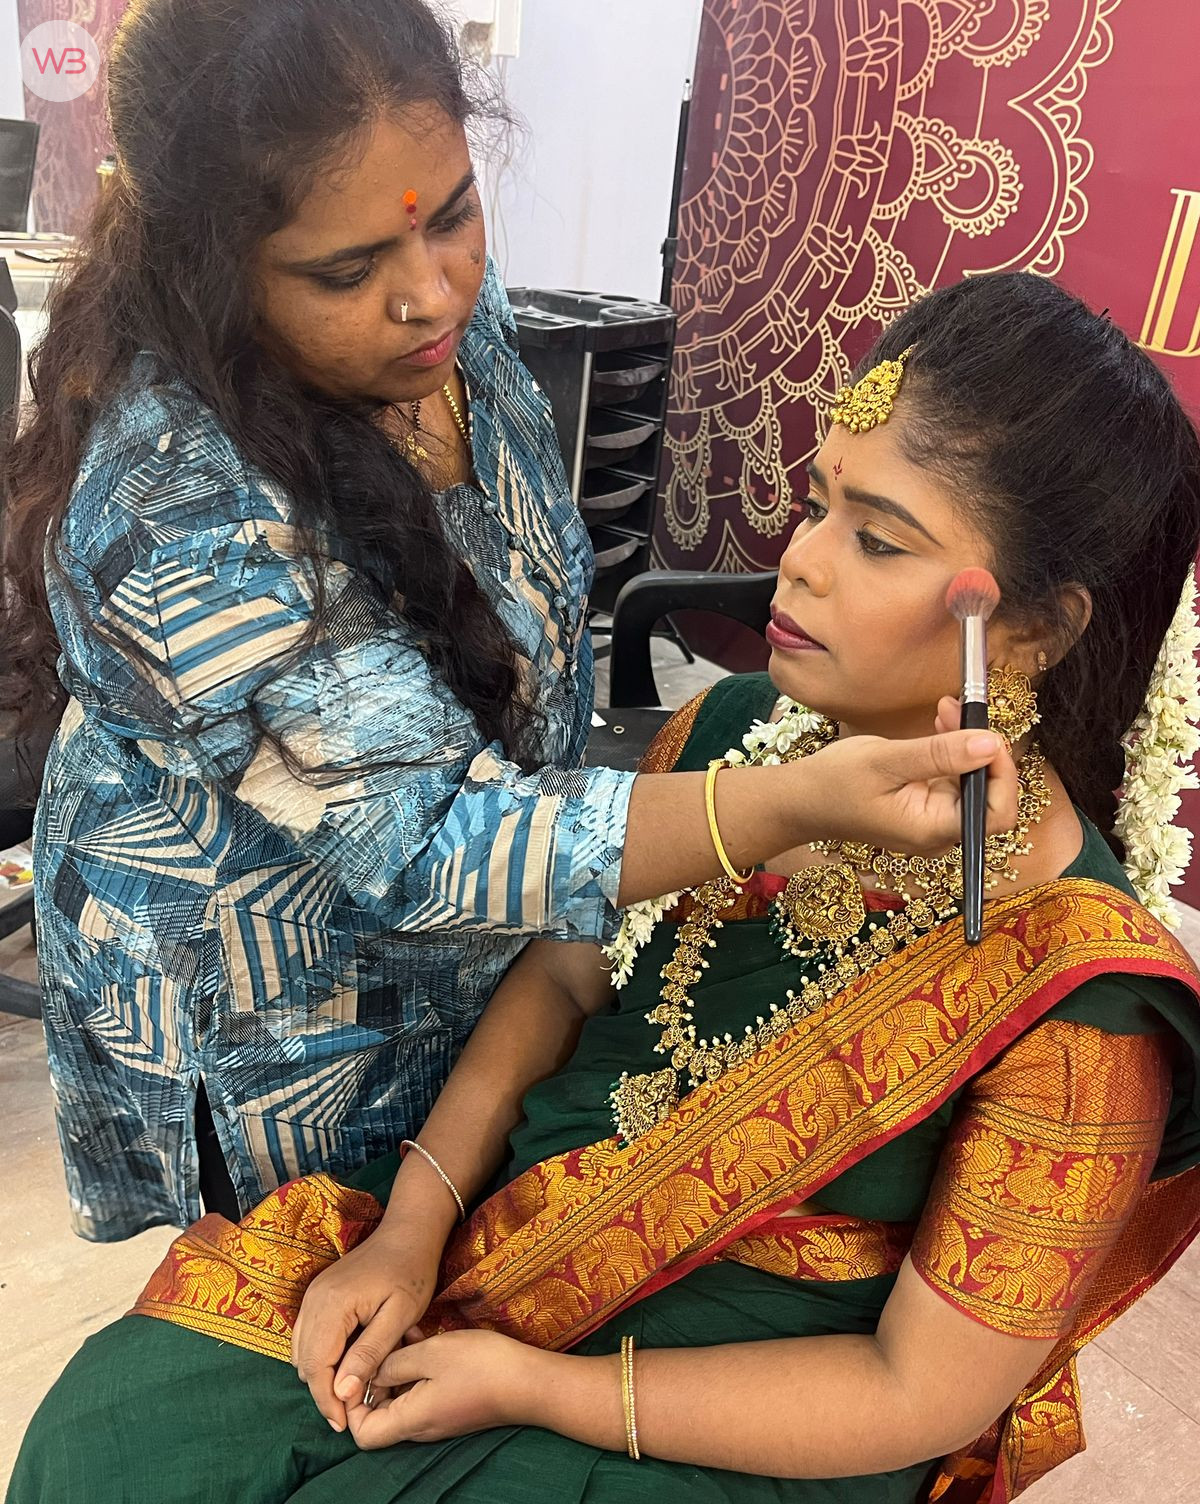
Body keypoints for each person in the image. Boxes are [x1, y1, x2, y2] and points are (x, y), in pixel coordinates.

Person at [6, 272, 1200, 1504]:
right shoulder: (736, 736)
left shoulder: (1083, 1007)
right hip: (498, 1238)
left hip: (733, 1415)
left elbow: (919, 1391)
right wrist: (409, 1225)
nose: (800, 558)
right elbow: (568, 973)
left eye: (878, 540)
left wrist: (534, 1388)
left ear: (1029, 628)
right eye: (819, 501)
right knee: (112, 1455)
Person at [0, 0, 1000, 1242]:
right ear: (210, 267)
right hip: (271, 1009)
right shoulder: (176, 505)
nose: (431, 295)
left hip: (474, 951)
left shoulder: (440, 327)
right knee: (301, 1292)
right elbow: (432, 841)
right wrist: (789, 803)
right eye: (348, 272)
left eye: (456, 214)